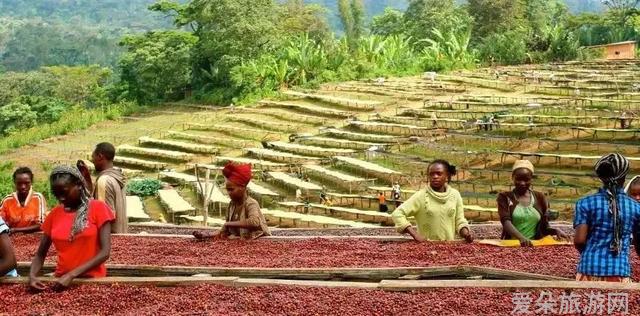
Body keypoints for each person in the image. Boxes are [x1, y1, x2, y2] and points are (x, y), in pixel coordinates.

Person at [29, 166, 114, 291]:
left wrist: (72, 275)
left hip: (93, 281)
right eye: (56, 194)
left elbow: (104, 253)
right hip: (61, 281)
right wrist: (32, 276)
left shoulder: (98, 208)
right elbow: (40, 254)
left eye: (64, 192)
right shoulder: (54, 214)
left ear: (79, 185)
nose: (61, 198)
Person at [574, 154, 640, 283]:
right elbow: (639, 242)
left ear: (601, 177)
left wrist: (591, 254)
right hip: (618, 271)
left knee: (589, 302)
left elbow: (579, 241)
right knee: (615, 303)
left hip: (588, 269)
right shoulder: (635, 207)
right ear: (625, 176)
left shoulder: (585, 203)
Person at [392, 159, 474, 242]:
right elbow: (397, 213)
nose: (435, 176)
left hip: (449, 248)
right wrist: (415, 234)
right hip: (426, 248)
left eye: (439, 173)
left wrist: (466, 234)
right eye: (431, 174)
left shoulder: (455, 195)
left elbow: (460, 220)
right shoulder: (421, 196)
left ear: (447, 176)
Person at [497, 160, 568, 246]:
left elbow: (543, 227)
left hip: (535, 245)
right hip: (511, 245)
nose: (522, 183)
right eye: (518, 179)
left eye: (526, 180)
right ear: (512, 178)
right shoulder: (505, 197)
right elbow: (505, 221)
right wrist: (521, 238)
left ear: (531, 179)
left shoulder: (540, 197)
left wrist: (556, 231)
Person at [193, 162, 270, 240]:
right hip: (240, 242)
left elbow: (254, 222)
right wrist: (207, 235)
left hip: (256, 240)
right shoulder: (232, 205)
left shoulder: (251, 203)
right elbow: (226, 229)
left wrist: (229, 224)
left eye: (231, 189)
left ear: (242, 188)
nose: (229, 193)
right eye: (227, 190)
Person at [78, 142, 127, 233]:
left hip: (109, 240)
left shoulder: (104, 181)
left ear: (100, 156)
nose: (92, 161)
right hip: (120, 234)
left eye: (93, 157)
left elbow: (103, 217)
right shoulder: (117, 177)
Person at [0, 167, 46, 234]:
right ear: (14, 183)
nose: (23, 187)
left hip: (35, 236)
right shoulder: (7, 200)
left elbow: (42, 225)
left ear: (31, 182)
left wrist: (15, 230)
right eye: (19, 183)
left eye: (26, 183)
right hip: (12, 237)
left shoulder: (37, 198)